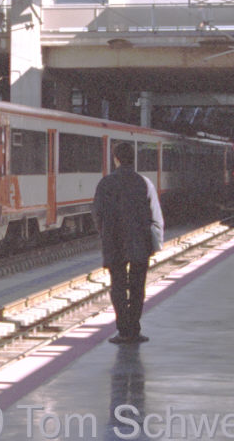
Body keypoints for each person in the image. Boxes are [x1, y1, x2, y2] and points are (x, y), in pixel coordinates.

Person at [92, 142, 164, 345]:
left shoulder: (105, 184)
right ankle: (134, 329)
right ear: (133, 159)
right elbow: (155, 215)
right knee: (137, 286)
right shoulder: (144, 183)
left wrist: (105, 233)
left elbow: (97, 214)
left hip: (113, 241)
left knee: (118, 286)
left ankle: (123, 331)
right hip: (140, 242)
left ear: (116, 158)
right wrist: (156, 241)